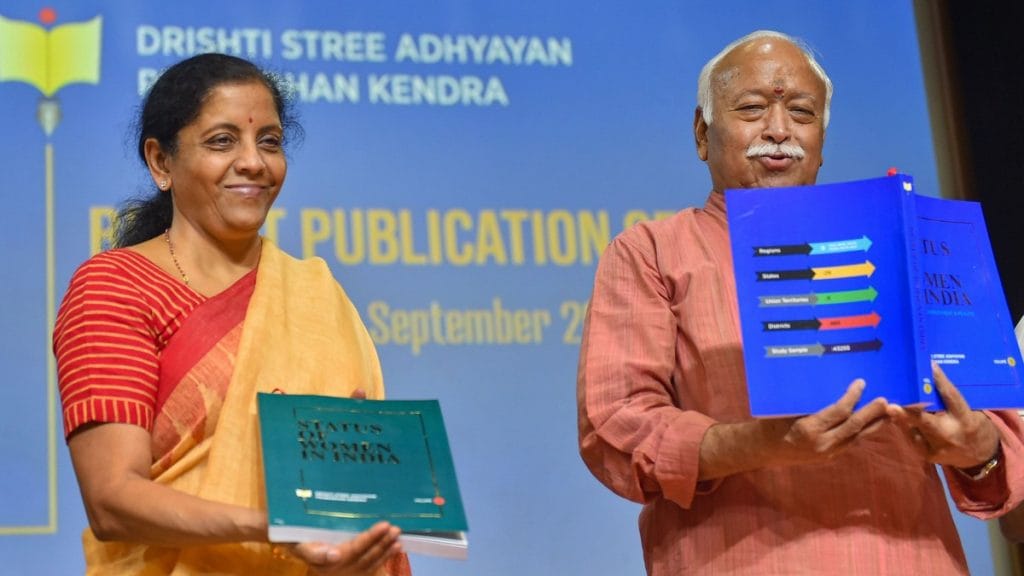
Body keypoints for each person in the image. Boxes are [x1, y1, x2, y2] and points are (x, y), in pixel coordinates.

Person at [576, 30, 1024, 575]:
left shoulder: (903, 244)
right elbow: (616, 429)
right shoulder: (651, 252)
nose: (779, 131)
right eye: (752, 108)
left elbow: (1003, 449)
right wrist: (759, 444)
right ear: (702, 133)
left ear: (821, 140)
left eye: (802, 113)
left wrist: (979, 449)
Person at [54, 53, 411, 575]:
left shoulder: (314, 293)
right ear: (161, 162)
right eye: (222, 141)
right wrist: (274, 527)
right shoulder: (115, 287)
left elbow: (351, 499)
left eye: (269, 141)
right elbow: (111, 499)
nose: (254, 162)